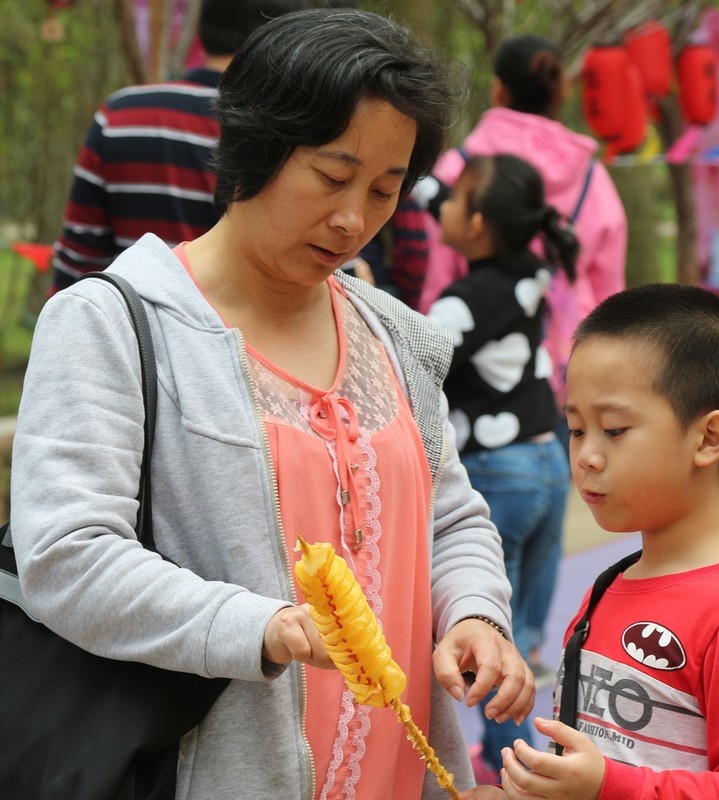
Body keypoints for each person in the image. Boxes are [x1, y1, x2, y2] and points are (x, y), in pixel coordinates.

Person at [10, 9, 534, 799]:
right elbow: (68, 555)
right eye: (331, 176)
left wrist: (475, 615)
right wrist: (262, 627)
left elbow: (451, 516)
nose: (353, 219)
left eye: (385, 190)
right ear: (257, 145)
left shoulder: (393, 332)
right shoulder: (111, 323)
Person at [466, 284, 719, 799]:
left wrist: (609, 785)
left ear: (709, 438)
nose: (586, 457)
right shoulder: (607, 588)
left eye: (615, 429)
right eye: (577, 430)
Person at [420, 33, 628, 687]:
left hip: (480, 420)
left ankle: (495, 756)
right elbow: (608, 283)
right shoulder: (590, 181)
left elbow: (432, 306)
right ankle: (526, 732)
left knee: (478, 593)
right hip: (555, 408)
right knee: (532, 606)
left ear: (499, 89)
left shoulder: (466, 171)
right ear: (560, 92)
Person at [426, 153, 577, 785]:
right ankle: (534, 754)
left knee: (492, 642)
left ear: (480, 222)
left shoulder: (461, 303)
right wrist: (432, 185)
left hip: (498, 474)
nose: (443, 210)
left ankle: (515, 772)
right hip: (548, 462)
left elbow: (414, 357)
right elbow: (441, 200)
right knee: (528, 640)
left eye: (456, 201)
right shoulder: (531, 272)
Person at [49, 0, 306, 292]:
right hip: (234, 330)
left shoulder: (121, 114)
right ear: (288, 40)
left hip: (126, 325)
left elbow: (78, 261)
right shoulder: (286, 129)